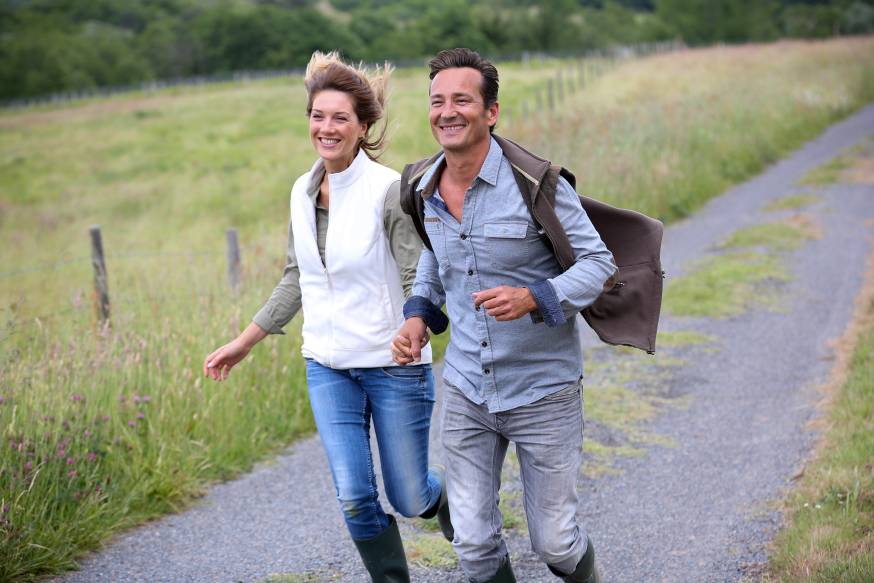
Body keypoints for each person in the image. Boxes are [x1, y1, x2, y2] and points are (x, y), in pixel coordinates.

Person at [203, 51, 451, 583]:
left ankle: (449, 503)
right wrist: (245, 342)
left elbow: (419, 274)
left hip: (393, 365)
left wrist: (416, 327)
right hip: (327, 366)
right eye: (318, 116)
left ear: (363, 127)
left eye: (340, 117)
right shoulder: (299, 190)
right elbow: (298, 276)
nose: (327, 127)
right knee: (356, 497)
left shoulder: (388, 190)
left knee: (409, 496)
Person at [392, 48, 616, 583]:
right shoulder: (422, 187)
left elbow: (599, 264)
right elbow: (435, 254)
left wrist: (534, 296)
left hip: (544, 390)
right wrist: (419, 315)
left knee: (556, 544)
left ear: (490, 112)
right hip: (469, 388)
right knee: (472, 545)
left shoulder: (537, 184)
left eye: (462, 100)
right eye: (437, 101)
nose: (447, 112)